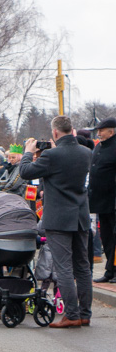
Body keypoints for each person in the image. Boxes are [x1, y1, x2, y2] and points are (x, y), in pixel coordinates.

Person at [20, 116, 93, 328]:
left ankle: (71, 315)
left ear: (54, 133)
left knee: (64, 268)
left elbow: (25, 172)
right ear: (72, 130)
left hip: (59, 218)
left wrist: (28, 152)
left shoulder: (51, 156)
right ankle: (85, 313)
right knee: (83, 266)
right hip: (80, 216)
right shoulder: (86, 153)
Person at [88, 118, 116, 283]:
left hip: (113, 200)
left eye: (101, 130)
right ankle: (109, 271)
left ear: (111, 132)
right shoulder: (100, 146)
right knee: (106, 236)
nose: (98, 133)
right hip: (101, 201)